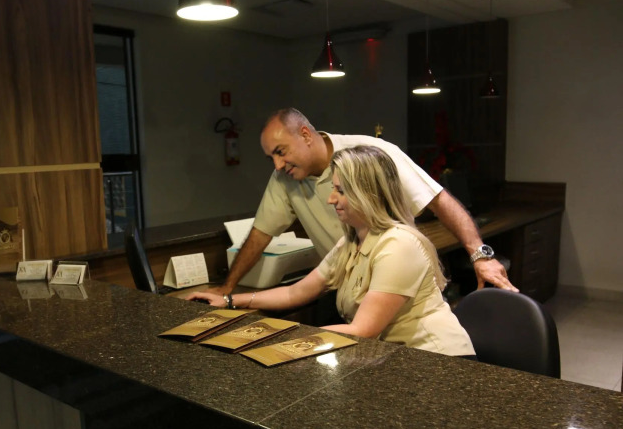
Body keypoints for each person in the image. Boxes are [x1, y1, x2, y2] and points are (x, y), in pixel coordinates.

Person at [189, 146, 475, 357]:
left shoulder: (399, 245)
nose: (331, 199)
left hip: (438, 362)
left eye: (341, 190)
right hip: (395, 358)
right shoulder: (352, 240)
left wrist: (276, 339)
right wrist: (229, 300)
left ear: (367, 193)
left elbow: (363, 330)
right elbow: (296, 293)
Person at [207, 108, 517, 296]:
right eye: (270, 157)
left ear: (305, 134)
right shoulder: (285, 179)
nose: (277, 165)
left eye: (281, 151)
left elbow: (438, 200)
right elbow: (260, 234)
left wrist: (480, 255)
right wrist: (227, 289)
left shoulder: (370, 153)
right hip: (349, 294)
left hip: (402, 289)